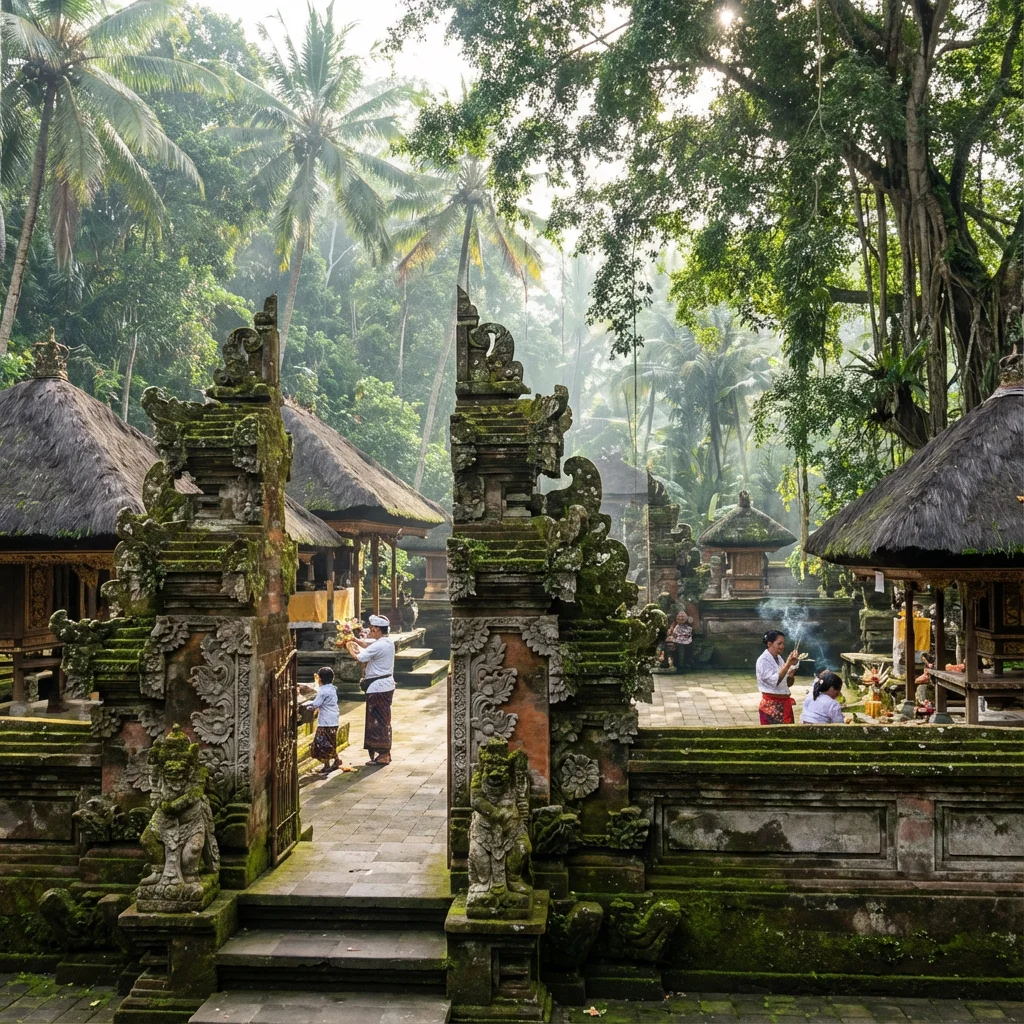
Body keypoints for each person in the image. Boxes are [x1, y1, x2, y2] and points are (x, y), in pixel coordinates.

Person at [346, 613, 396, 766]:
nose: (369, 631)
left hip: (378, 687)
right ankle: (383, 752)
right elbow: (368, 644)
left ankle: (383, 754)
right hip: (384, 685)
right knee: (383, 719)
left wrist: (349, 647)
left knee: (377, 721)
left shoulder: (380, 645)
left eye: (371, 629)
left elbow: (360, 657)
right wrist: (355, 640)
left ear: (376, 629)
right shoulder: (387, 642)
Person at [756, 629, 801, 725]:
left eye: (783, 644)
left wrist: (791, 673)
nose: (782, 646)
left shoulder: (779, 658)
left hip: (784, 703)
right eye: (779, 644)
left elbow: (787, 683)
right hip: (772, 705)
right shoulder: (763, 660)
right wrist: (788, 664)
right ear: (769, 644)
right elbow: (775, 681)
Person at [305, 666, 341, 775]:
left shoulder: (323, 691)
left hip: (326, 721)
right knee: (329, 742)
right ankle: (330, 763)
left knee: (322, 743)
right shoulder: (332, 688)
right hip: (333, 719)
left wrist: (306, 706)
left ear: (320, 679)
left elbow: (316, 704)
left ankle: (333, 761)